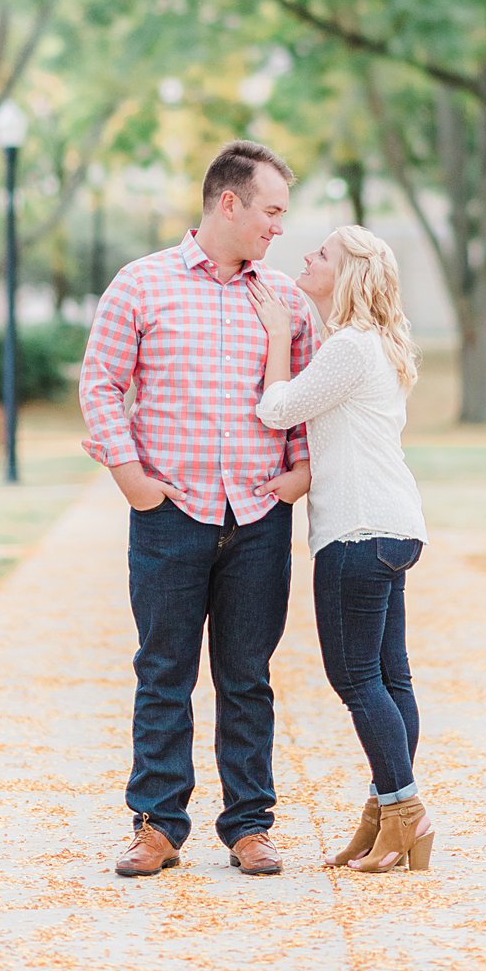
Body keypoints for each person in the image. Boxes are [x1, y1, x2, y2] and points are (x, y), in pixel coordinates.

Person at [78, 140, 318, 878]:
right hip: (168, 517)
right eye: (271, 212)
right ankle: (156, 827)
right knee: (164, 672)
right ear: (229, 203)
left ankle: (250, 827)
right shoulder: (139, 286)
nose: (279, 228)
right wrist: (134, 483)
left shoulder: (286, 301)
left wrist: (300, 473)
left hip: (256, 517)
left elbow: (309, 399)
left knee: (246, 675)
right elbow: (100, 385)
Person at [249, 224, 434, 873]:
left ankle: (405, 810)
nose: (307, 257)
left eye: (321, 253)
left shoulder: (349, 348)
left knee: (354, 677)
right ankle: (386, 817)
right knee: (390, 677)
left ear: (347, 274)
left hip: (355, 530)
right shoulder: (379, 345)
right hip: (395, 526)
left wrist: (276, 340)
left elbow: (277, 409)